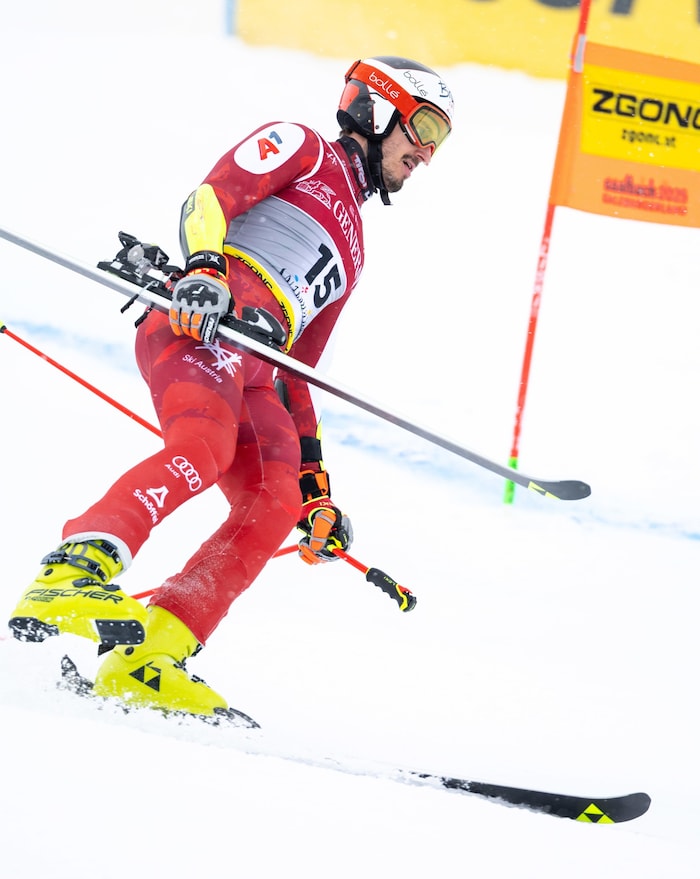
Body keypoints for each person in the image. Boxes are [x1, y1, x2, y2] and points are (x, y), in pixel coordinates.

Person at [8, 56, 454, 718]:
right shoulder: (302, 146)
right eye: (423, 127)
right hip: (203, 321)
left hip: (261, 366)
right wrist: (203, 270)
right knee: (203, 449)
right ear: (377, 107)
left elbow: (300, 374)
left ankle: (148, 657)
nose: (426, 152)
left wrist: (316, 490)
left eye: (440, 141)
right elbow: (209, 199)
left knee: (275, 499)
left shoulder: (356, 247)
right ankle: (70, 572)